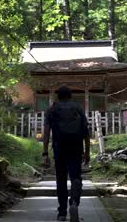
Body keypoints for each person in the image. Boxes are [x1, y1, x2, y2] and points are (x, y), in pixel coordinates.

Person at [42, 86, 91, 222]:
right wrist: (87, 152)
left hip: (59, 148)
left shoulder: (52, 109)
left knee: (61, 179)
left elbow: (46, 134)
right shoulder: (78, 108)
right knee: (76, 176)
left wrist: (45, 153)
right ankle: (74, 201)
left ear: (58, 97)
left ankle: (62, 213)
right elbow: (86, 133)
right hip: (76, 147)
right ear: (70, 96)